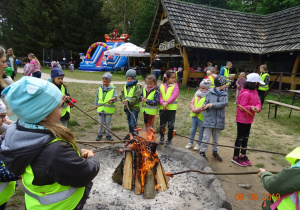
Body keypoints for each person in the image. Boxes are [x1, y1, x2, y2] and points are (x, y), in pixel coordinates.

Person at [0, 76, 100, 210]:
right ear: (44, 113)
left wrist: (76, 151)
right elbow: (84, 174)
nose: (62, 110)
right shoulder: (55, 150)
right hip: (62, 206)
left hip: (35, 204)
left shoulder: (15, 132)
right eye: (59, 107)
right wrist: (93, 159)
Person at [231, 73, 262, 167]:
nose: (259, 85)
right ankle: (235, 156)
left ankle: (243, 155)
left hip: (249, 119)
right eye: (258, 83)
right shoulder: (245, 93)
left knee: (246, 138)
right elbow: (241, 106)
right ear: (255, 83)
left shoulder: (255, 92)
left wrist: (257, 107)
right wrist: (251, 107)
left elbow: (258, 102)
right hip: (242, 119)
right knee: (240, 137)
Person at [199, 76, 228, 161]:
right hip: (209, 119)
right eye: (225, 83)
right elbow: (206, 102)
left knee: (216, 139)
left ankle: (214, 152)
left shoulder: (225, 94)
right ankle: (202, 152)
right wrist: (205, 106)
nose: (226, 85)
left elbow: (223, 104)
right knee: (205, 137)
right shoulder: (209, 92)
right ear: (221, 84)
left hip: (219, 120)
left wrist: (212, 105)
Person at [186, 79, 212, 151]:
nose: (201, 89)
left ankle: (198, 144)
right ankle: (190, 142)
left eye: (203, 88)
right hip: (194, 115)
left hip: (201, 117)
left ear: (208, 88)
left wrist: (196, 110)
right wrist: (193, 108)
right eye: (200, 87)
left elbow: (204, 106)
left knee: (201, 131)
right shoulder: (197, 93)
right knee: (192, 130)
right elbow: (192, 102)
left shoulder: (208, 96)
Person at [93, 72, 117, 141]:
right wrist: (95, 105)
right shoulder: (99, 88)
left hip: (109, 110)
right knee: (101, 123)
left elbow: (115, 97)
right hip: (101, 109)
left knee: (108, 123)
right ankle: (100, 134)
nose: (105, 83)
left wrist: (112, 101)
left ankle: (108, 135)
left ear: (110, 81)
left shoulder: (113, 89)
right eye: (104, 81)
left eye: (107, 82)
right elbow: (97, 98)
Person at [120, 69, 142, 139]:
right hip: (127, 107)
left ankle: (136, 136)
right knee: (129, 123)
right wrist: (123, 100)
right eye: (128, 79)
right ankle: (130, 136)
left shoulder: (137, 86)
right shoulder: (125, 86)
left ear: (134, 78)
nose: (129, 80)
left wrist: (129, 102)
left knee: (133, 123)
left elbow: (136, 97)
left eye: (131, 79)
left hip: (134, 107)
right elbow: (122, 95)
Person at [159, 70, 179, 146]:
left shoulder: (175, 86)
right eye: (172, 78)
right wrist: (162, 103)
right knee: (162, 124)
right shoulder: (161, 86)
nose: (174, 79)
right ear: (167, 78)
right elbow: (160, 96)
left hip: (171, 109)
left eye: (175, 78)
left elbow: (174, 96)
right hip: (162, 109)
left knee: (171, 125)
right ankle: (162, 137)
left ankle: (169, 139)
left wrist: (167, 102)